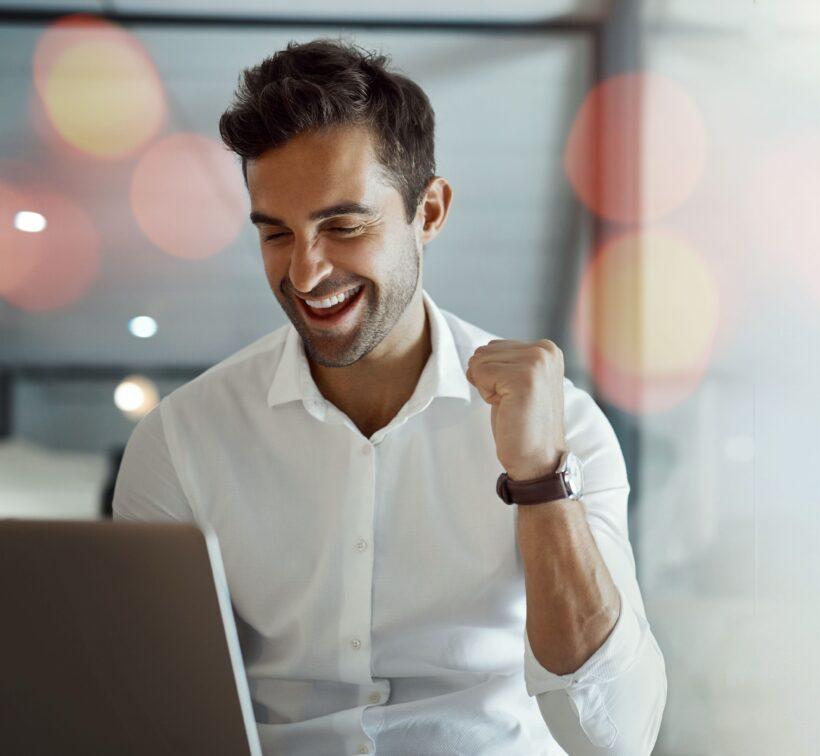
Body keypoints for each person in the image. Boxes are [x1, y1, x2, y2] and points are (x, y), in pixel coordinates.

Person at [113, 38, 666, 755]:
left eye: (343, 226)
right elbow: (147, 707)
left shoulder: (567, 428)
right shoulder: (180, 441)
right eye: (276, 233)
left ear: (428, 212)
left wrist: (540, 482)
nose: (305, 273)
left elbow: (613, 736)